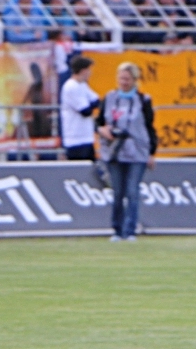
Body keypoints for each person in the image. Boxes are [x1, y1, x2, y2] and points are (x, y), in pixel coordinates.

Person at [96, 62, 156, 241]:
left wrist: (152, 152)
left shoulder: (143, 100)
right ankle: (117, 229)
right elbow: (98, 121)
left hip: (137, 151)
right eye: (121, 78)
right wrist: (102, 130)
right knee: (117, 192)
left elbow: (149, 127)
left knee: (132, 191)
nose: (124, 82)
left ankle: (130, 230)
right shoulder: (109, 98)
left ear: (134, 80)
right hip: (114, 152)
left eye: (127, 79)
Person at [60, 55, 100, 161]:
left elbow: (97, 101)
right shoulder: (71, 86)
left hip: (86, 137)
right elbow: (85, 111)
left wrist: (91, 105)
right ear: (83, 71)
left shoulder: (82, 85)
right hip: (75, 139)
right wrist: (90, 105)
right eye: (88, 70)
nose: (90, 73)